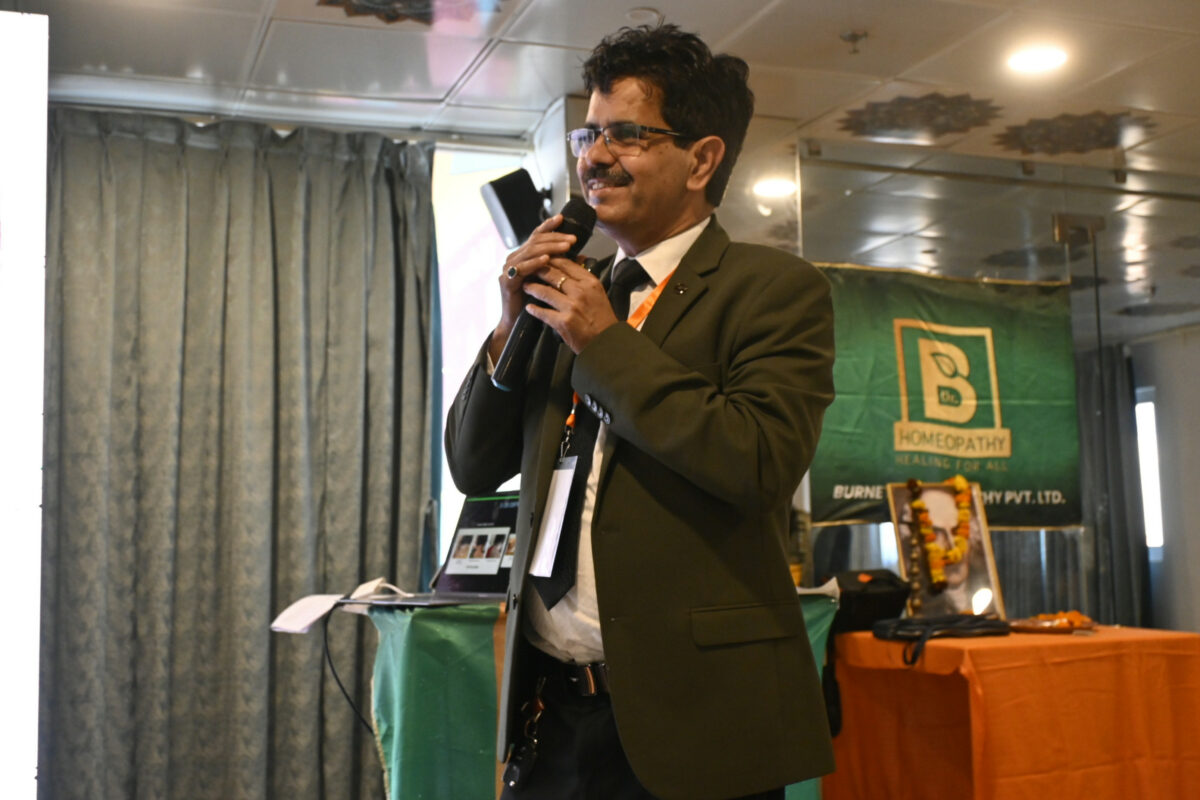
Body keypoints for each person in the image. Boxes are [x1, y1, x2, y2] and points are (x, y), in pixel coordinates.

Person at [445, 23, 835, 800]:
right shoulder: (572, 292)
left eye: (625, 134)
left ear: (702, 160)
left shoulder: (772, 289)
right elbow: (474, 465)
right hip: (552, 715)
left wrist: (604, 343)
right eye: (587, 134)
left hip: (698, 723)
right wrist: (510, 326)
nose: (592, 157)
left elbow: (757, 462)